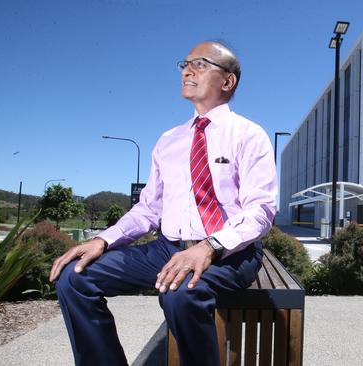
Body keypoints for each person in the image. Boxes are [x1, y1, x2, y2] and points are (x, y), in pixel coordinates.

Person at [49, 41, 277, 366]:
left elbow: (261, 211)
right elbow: (148, 209)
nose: (187, 70)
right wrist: (103, 239)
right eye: (184, 64)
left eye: (200, 63)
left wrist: (208, 246)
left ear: (227, 81)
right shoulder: (169, 140)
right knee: (74, 276)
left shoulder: (248, 135)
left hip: (228, 252)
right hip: (166, 248)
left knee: (181, 294)